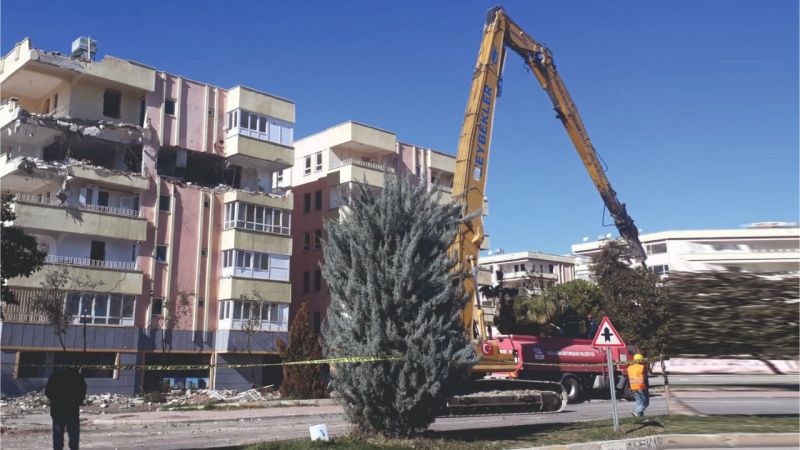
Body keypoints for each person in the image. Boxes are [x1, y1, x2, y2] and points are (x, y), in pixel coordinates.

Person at [45, 367, 87, 450]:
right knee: (74, 434)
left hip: (58, 410)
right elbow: (83, 389)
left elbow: (47, 391)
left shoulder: (55, 376)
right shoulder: (76, 376)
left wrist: (55, 401)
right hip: (72, 410)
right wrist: (78, 402)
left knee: (58, 435)